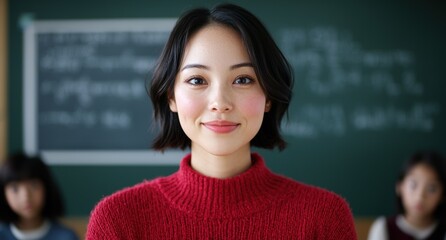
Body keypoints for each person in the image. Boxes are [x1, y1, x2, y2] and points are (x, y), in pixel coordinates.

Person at [86, 3, 357, 239]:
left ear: (269, 96)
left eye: (243, 80)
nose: (220, 102)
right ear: (171, 96)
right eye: (197, 80)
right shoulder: (118, 220)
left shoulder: (324, 218)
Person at [368, 151, 446, 240]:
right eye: (413, 185)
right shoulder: (383, 227)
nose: (420, 196)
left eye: (431, 189)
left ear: (443, 195)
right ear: (399, 187)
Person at [0, 153, 79, 240]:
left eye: (34, 186)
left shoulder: (66, 237)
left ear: (47, 188)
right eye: (15, 189)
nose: (26, 197)